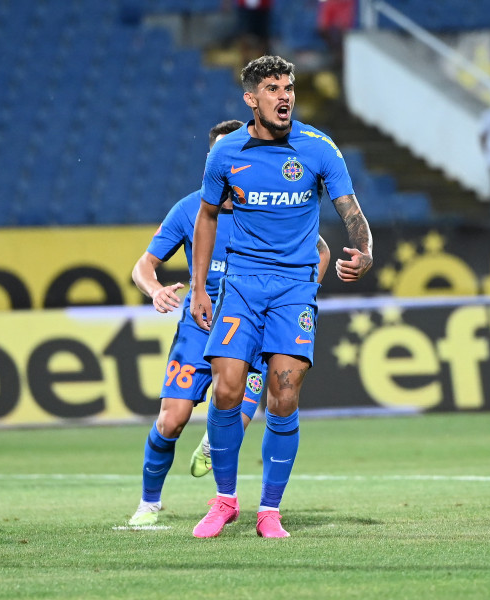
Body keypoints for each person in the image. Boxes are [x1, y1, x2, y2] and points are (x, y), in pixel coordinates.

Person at [190, 55, 372, 538]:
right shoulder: (226, 153)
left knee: (284, 395)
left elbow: (350, 209)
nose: (284, 96)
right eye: (272, 88)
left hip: (294, 289)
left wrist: (366, 250)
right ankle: (225, 500)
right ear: (252, 99)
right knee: (226, 390)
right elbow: (206, 217)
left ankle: (269, 511)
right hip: (242, 287)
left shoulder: (318, 148)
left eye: (288, 87)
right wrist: (197, 288)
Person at [127, 119, 331, 527]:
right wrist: (154, 290)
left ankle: (227, 496)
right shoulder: (190, 209)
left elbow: (321, 250)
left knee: (235, 414)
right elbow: (143, 265)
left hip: (252, 329)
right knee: (172, 420)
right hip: (198, 327)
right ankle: (149, 502)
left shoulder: (267, 205)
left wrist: (302, 293)